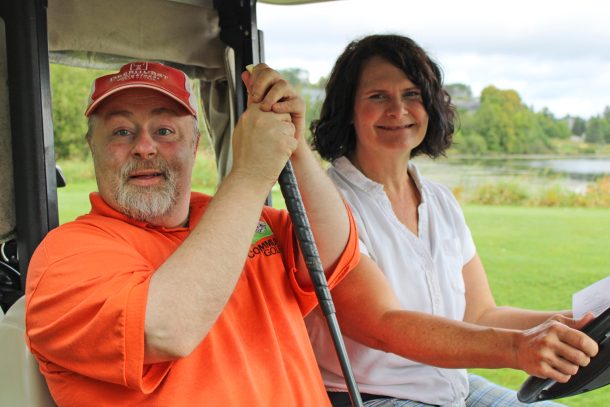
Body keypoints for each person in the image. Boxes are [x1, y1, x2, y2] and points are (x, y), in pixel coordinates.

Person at [24, 61, 360, 406]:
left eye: (165, 131)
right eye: (121, 131)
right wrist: (250, 174)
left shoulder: (237, 216)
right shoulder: (64, 257)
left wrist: (294, 144)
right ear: (91, 146)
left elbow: (331, 249)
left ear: (195, 144)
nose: (144, 147)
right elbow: (167, 329)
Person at [305, 34, 598, 407]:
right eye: (378, 96)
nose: (398, 110)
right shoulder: (328, 205)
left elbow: (480, 313)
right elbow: (383, 325)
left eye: (412, 94)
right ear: (348, 109)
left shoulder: (441, 201)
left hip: (450, 388)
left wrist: (571, 323)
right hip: (369, 396)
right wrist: (515, 349)